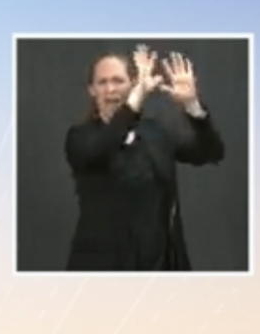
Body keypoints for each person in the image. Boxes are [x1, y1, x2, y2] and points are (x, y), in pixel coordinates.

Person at [63, 44, 225, 271]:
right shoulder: (80, 138)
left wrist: (192, 104)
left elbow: (211, 153)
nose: (111, 89)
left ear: (130, 84)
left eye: (118, 81)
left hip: (160, 268)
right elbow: (102, 148)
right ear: (92, 90)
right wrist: (136, 99)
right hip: (104, 269)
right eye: (102, 82)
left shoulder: (156, 133)